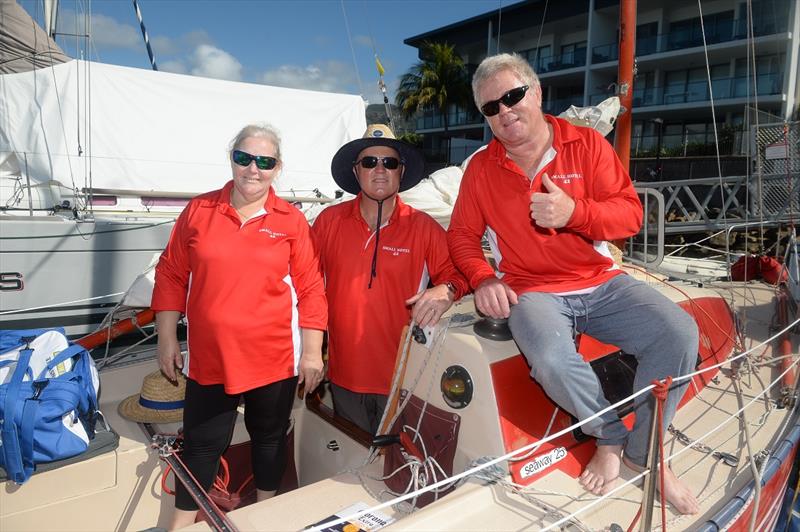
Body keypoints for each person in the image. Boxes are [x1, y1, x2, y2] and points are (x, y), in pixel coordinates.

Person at [447, 53, 700, 515]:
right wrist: (482, 277)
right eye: (491, 108)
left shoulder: (585, 145)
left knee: (678, 333)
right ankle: (609, 436)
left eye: (512, 96)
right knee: (550, 360)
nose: (504, 112)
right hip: (532, 290)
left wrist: (575, 214)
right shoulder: (481, 169)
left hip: (600, 282)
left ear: (536, 92)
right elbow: (462, 235)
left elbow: (629, 217)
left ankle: (647, 453)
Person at [152, 124, 327, 529]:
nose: (253, 169)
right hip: (212, 359)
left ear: (277, 168)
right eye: (244, 158)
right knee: (200, 446)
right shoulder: (199, 210)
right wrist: (165, 338)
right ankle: (180, 526)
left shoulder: (291, 221)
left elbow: (312, 291)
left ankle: (264, 514)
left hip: (274, 359)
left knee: (268, 441)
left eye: (264, 161)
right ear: (231, 158)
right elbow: (171, 275)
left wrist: (313, 352)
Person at [312, 124, 469, 435]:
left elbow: (460, 275)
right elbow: (306, 287)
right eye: (370, 162)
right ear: (356, 171)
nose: (380, 170)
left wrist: (446, 289)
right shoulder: (328, 222)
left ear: (401, 170)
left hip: (404, 379)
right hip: (343, 376)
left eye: (390, 162)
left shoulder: (423, 227)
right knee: (353, 464)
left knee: (397, 470)